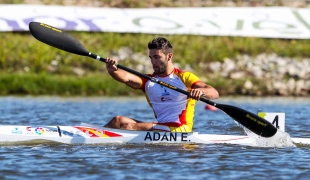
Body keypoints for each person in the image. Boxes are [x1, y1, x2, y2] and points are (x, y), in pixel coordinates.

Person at [104, 37, 219, 132]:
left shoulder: (185, 77)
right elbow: (126, 78)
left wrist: (201, 92)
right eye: (151, 57)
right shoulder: (148, 80)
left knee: (128, 127)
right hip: (161, 127)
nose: (153, 61)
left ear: (169, 56)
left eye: (157, 57)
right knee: (117, 121)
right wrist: (113, 70)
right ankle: (94, 135)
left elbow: (214, 92)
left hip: (179, 129)